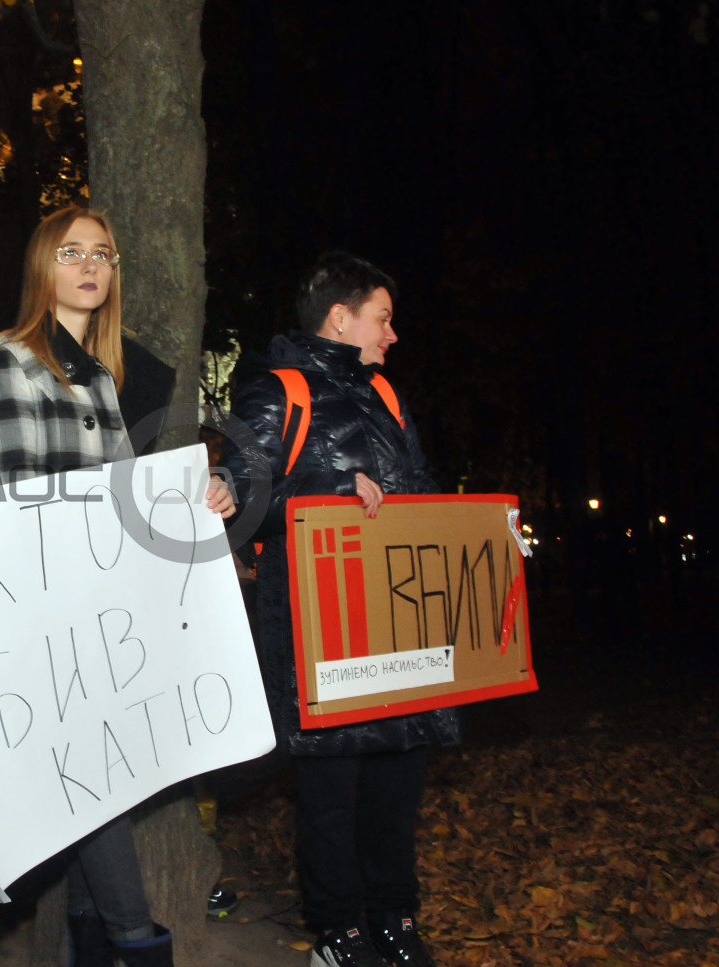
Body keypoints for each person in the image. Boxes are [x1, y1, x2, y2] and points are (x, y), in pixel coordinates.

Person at [0, 206, 233, 967]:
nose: (90, 266)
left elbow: (131, 492)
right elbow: (19, 492)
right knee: (94, 782)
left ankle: (105, 948)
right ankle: (137, 944)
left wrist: (201, 492)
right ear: (41, 265)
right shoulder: (11, 356)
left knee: (106, 783)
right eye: (71, 252)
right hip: (50, 603)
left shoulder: (101, 374)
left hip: (108, 603)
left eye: (102, 255)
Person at [222, 252, 458, 967]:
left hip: (396, 622)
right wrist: (328, 491)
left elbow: (417, 489)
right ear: (341, 316)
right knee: (332, 791)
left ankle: (395, 920)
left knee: (397, 784)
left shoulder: (386, 396)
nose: (392, 335)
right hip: (320, 631)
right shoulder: (277, 391)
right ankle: (338, 932)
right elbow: (240, 503)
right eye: (383, 319)